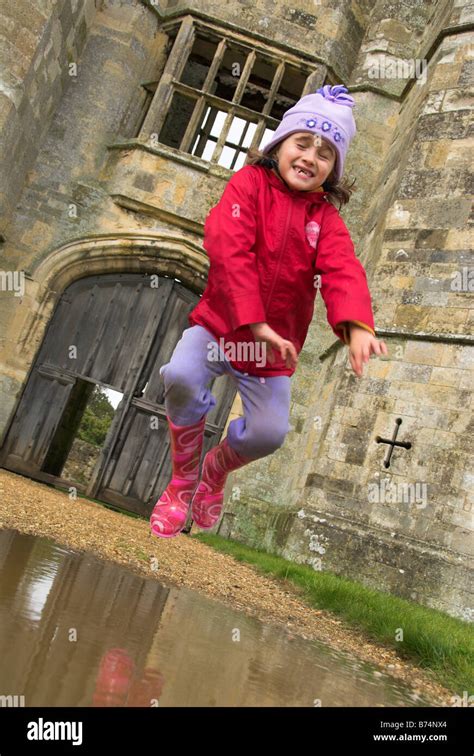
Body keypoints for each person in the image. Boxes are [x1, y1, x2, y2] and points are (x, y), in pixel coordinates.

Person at [150, 84, 388, 539]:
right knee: (179, 375)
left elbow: (343, 271)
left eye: (325, 153)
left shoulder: (327, 222)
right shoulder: (249, 185)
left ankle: (215, 472)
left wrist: (357, 326)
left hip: (271, 350)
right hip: (222, 326)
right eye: (302, 143)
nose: (310, 157)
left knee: (269, 433)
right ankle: (181, 484)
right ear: (279, 144)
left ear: (333, 170)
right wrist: (254, 322)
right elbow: (229, 247)